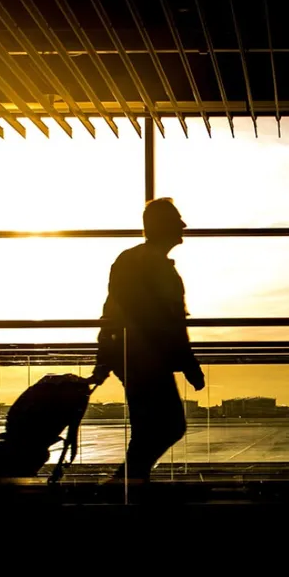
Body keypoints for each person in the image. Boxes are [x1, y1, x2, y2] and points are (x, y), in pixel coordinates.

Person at [91, 198, 205, 483]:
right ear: (161, 225)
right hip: (146, 358)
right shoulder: (153, 264)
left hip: (132, 356)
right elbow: (169, 322)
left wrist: (104, 359)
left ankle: (129, 483)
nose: (183, 224)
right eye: (177, 219)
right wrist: (189, 364)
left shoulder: (131, 260)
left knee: (150, 428)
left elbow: (112, 311)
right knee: (169, 425)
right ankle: (126, 483)